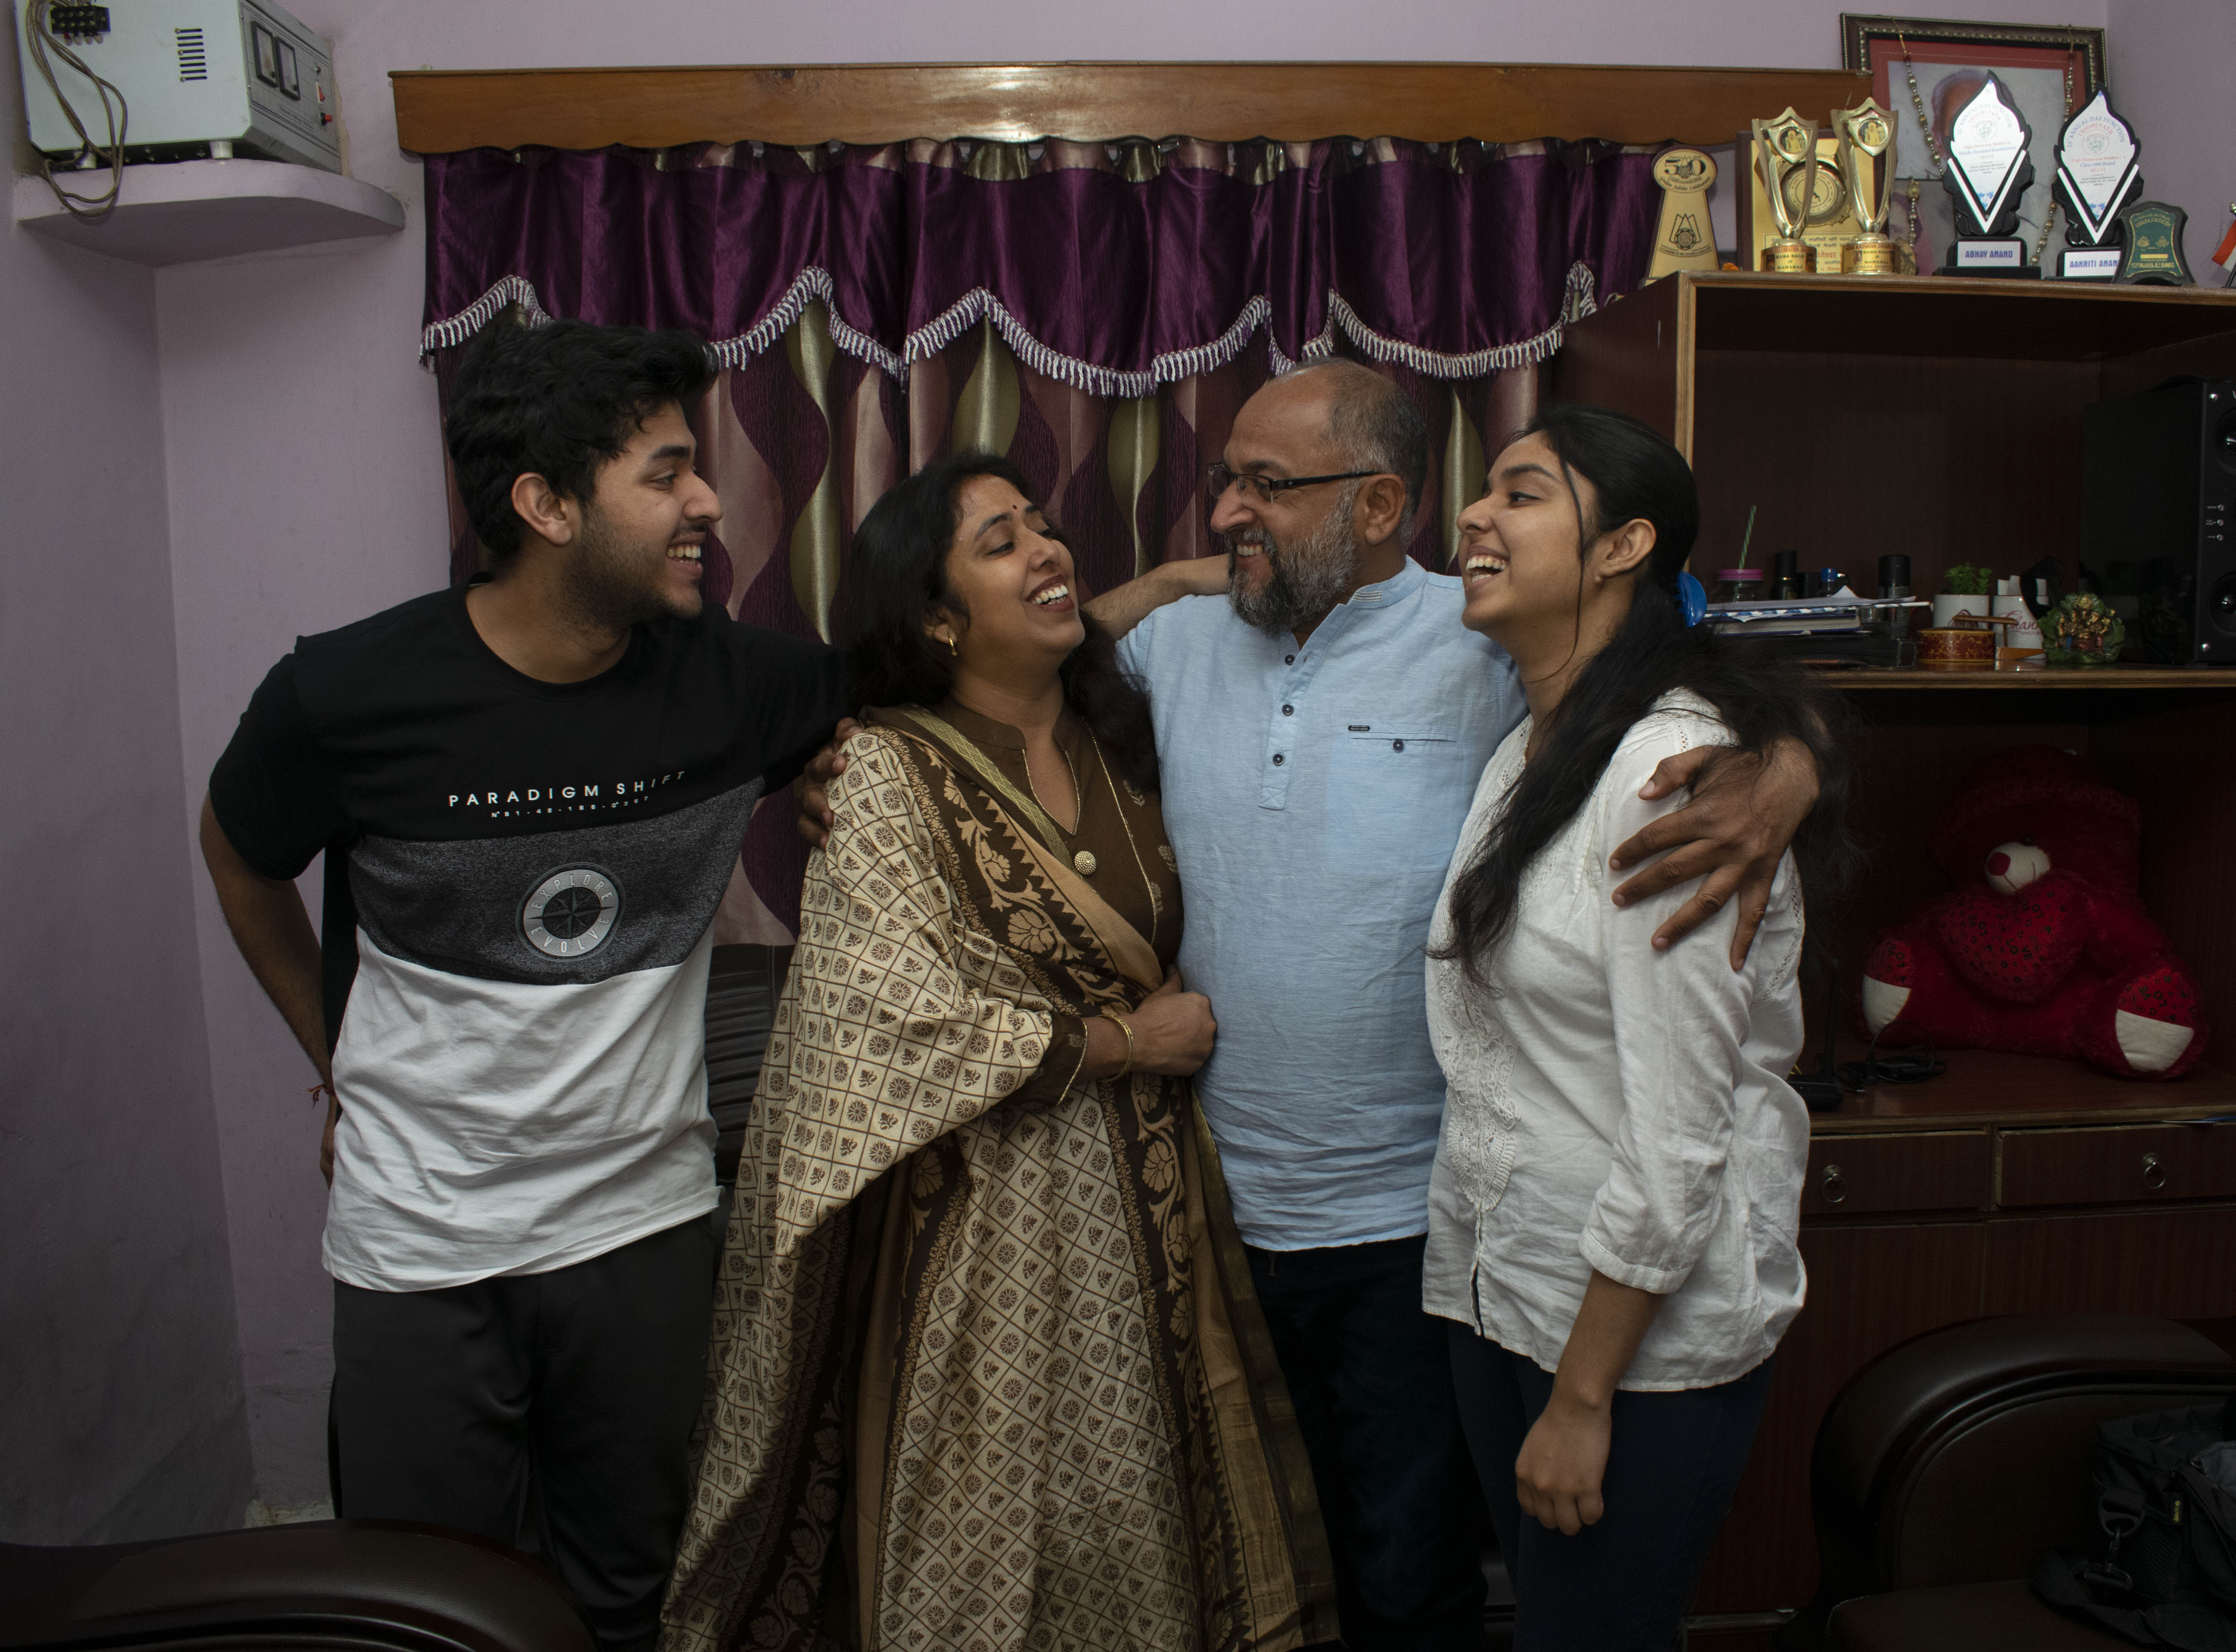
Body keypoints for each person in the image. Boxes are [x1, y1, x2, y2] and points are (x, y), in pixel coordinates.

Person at [198, 315, 1215, 1652]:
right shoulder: (346, 693)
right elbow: (238, 856)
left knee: (642, 1588)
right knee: (422, 1600)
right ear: (545, 505)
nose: (708, 503)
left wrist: (1158, 591)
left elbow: (955, 658)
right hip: (421, 1241)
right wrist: (333, 1052)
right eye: (668, 474)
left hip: (645, 1226)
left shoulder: (734, 683)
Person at [799, 360, 1820, 1649]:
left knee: (1413, 1579)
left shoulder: (1491, 643)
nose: (1224, 510)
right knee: (1247, 1569)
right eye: (1225, 480)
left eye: (1265, 487)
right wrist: (866, 747)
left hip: (1416, 1230)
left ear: (1384, 505)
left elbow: (1670, 682)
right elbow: (996, 669)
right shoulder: (1174, 646)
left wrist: (1788, 764)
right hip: (1203, 1209)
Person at [662, 454, 1335, 1652]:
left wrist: (1183, 576)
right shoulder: (879, 768)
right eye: (998, 542)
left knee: (1142, 1513)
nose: (1045, 548)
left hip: (1151, 1204)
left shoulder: (1128, 740)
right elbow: (884, 1022)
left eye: (1043, 524)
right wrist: (1126, 1040)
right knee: (986, 1531)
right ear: (934, 615)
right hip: (980, 1226)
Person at [1424, 404, 1851, 1651]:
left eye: (1521, 494)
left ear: (1622, 546)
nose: (1476, 516)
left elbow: (1679, 1134)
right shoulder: (1533, 742)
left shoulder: (1676, 778)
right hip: (1510, 1282)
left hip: (1628, 1346)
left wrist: (1583, 1395)